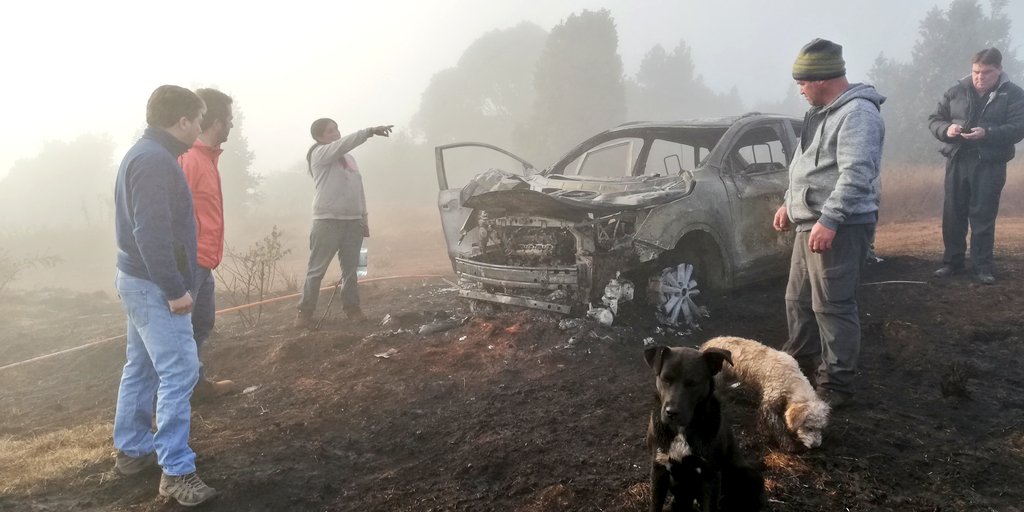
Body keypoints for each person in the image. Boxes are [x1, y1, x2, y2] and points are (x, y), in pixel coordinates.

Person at [112, 85, 217, 506]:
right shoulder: (155, 162)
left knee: (141, 367)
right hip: (156, 286)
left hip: (136, 280)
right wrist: (175, 290)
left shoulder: (146, 154)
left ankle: (134, 449)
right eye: (199, 119)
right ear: (184, 120)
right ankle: (176, 470)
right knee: (180, 371)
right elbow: (150, 232)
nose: (202, 127)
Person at [772, 39, 886, 409]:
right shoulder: (820, 112)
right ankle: (796, 370)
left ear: (821, 78)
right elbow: (808, 167)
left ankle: (836, 386)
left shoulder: (858, 114)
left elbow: (856, 174)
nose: (800, 89)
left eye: (802, 82)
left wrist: (831, 219)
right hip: (810, 223)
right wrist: (789, 205)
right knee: (798, 300)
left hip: (841, 226)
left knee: (832, 306)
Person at [928, 48, 1024, 285]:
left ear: (999, 70)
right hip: (957, 159)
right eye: (976, 72)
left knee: (983, 215)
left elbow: (1018, 128)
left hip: (990, 164)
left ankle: (982, 267)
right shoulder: (956, 90)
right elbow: (934, 120)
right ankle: (952, 262)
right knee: (953, 214)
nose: (980, 77)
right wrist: (946, 130)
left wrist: (987, 133)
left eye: (986, 73)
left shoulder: (1014, 94)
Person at [294, 119, 393, 328]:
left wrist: (364, 219)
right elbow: (343, 144)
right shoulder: (320, 154)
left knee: (353, 270)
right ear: (319, 137)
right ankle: (305, 312)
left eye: (337, 129)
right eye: (330, 131)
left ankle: (352, 309)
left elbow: (359, 189)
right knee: (316, 270)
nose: (336, 134)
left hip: (352, 222)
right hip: (327, 221)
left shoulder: (350, 159)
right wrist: (369, 132)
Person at [178, 88, 237, 400]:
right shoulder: (190, 159)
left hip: (203, 261)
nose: (231, 126)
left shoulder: (207, 158)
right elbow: (171, 215)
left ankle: (195, 383)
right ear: (215, 122)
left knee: (201, 325)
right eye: (228, 119)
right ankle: (166, 400)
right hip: (188, 262)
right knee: (179, 332)